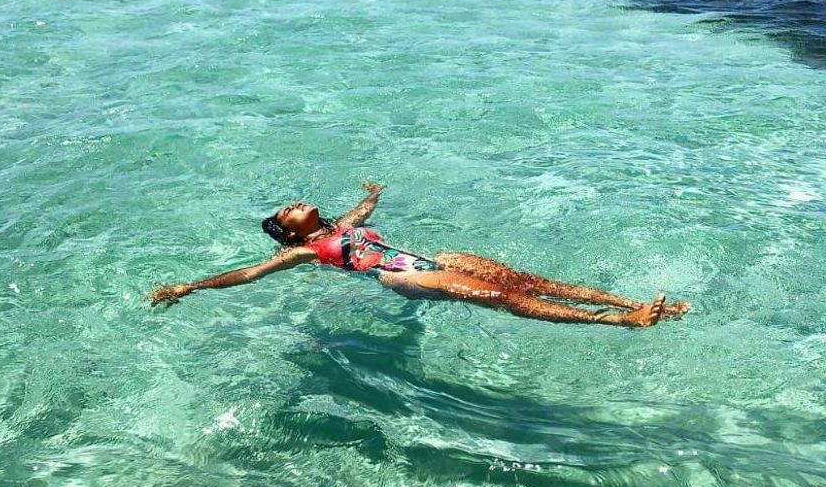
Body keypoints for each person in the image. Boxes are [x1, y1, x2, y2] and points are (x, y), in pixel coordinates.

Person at [149, 183, 690, 328]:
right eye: (286, 210)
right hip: (400, 277)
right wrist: (189, 287)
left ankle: (633, 302)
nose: (293, 203)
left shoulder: (341, 225)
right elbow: (251, 272)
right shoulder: (308, 252)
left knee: (528, 279)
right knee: (507, 297)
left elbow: (360, 214)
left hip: (431, 259)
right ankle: (625, 323)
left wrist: (373, 195)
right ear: (289, 234)